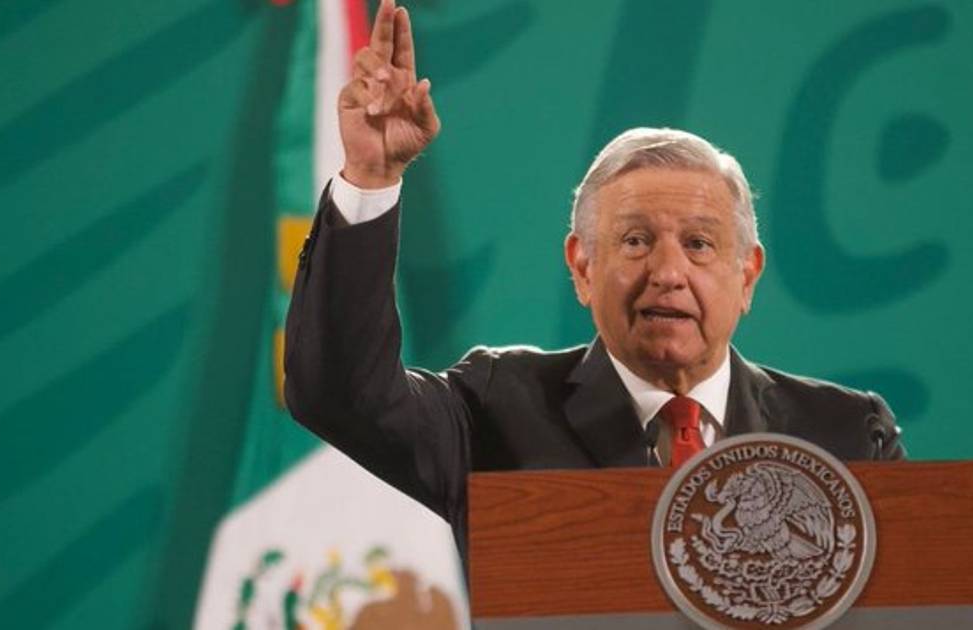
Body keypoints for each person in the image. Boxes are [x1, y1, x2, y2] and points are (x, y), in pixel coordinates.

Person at [284, 0, 904, 561]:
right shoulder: (494, 410)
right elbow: (338, 393)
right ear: (582, 267)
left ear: (747, 275)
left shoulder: (847, 435)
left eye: (698, 244)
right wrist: (371, 177)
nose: (668, 273)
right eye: (635, 241)